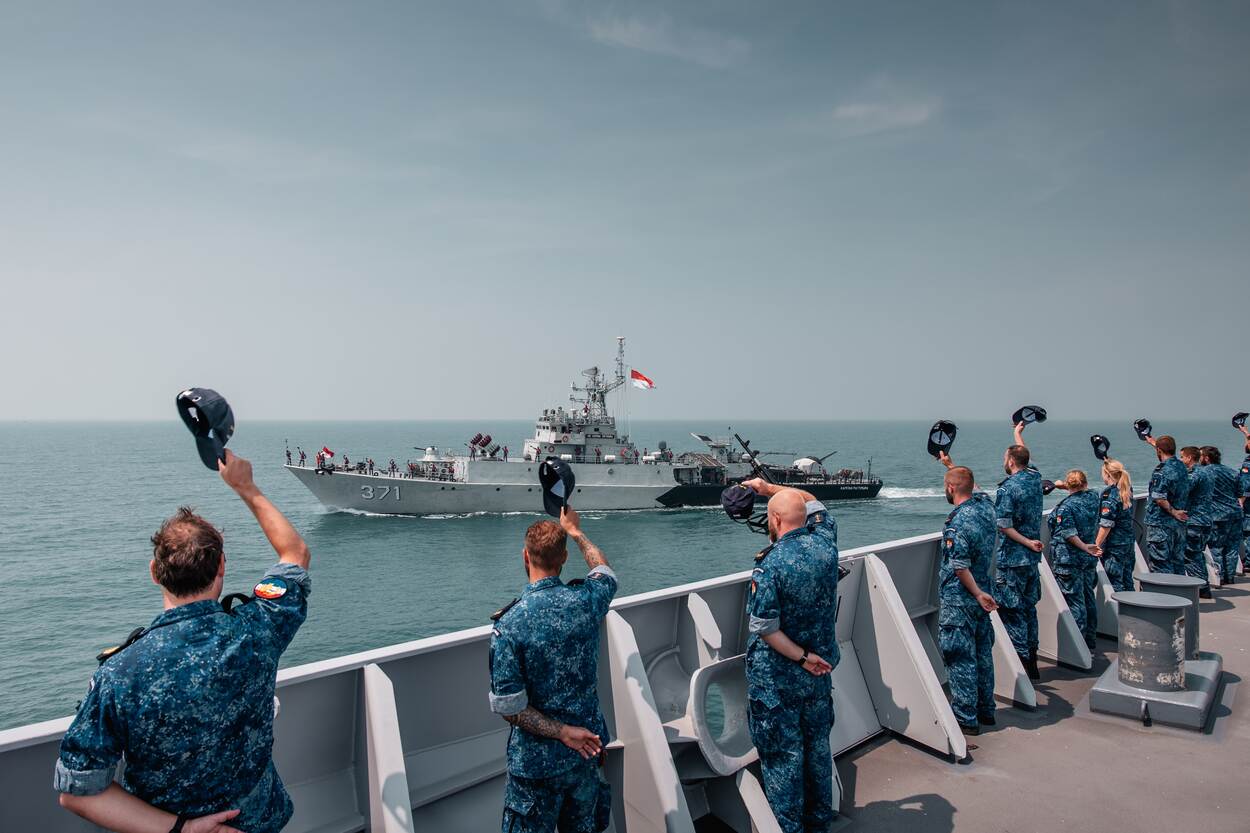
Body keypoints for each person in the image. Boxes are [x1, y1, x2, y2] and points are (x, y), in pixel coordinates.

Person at [54, 451, 312, 833]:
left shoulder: (120, 674)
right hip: (259, 824)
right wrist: (245, 486)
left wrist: (183, 829)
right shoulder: (258, 630)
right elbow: (295, 553)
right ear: (222, 566)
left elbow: (78, 791)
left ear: (155, 572)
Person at [488, 506, 615, 833]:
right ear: (563, 559)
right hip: (586, 753)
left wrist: (560, 733)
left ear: (526, 557)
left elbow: (510, 707)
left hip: (536, 766)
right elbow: (604, 570)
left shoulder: (510, 625)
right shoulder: (588, 600)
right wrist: (576, 532)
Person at [739, 477, 840, 833]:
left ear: (776, 521)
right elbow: (818, 505)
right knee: (816, 750)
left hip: (780, 682)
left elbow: (765, 627)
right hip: (818, 678)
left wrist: (801, 657)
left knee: (784, 758)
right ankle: (819, 822)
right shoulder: (827, 543)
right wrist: (770, 489)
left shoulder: (771, 564)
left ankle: (788, 827)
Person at [934, 462, 998, 735]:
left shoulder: (957, 522)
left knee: (960, 658)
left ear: (951, 487)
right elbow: (978, 490)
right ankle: (987, 710)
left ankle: (965, 718)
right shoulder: (986, 509)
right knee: (983, 654)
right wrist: (951, 465)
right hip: (983, 593)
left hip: (962, 599)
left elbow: (959, 565)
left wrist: (977, 593)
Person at [991, 422, 1045, 680]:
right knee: (1029, 609)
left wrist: (1026, 542)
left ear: (1011, 461)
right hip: (1031, 561)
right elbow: (1026, 457)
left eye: (1005, 457)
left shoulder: (1007, 489)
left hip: (1013, 559)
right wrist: (1017, 434)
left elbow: (1004, 526)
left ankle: (1020, 669)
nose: (1004, 461)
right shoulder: (1034, 478)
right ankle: (1032, 659)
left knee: (1012, 612)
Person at [1049, 471, 1103, 649]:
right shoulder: (1093, 497)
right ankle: (1090, 639)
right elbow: (1084, 491)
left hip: (1069, 559)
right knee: (1088, 597)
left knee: (1074, 601)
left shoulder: (1066, 508)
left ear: (1068, 484)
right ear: (1085, 483)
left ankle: (1078, 646)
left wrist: (1084, 546)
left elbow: (1069, 534)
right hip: (1087, 559)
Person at [1144, 435, 1189, 575]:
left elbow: (1159, 497)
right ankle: (1181, 595)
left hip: (1161, 525)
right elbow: (1166, 454)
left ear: (1159, 450)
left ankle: (1165, 596)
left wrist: (1174, 511)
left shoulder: (1161, 470)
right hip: (1179, 525)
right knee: (1177, 562)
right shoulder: (1181, 465)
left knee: (1160, 564)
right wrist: (1154, 443)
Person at [1094, 459, 1137, 593]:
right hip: (1128, 543)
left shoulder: (1109, 495)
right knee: (1127, 579)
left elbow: (1106, 525)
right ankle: (1131, 611)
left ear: (1107, 474)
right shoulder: (1126, 489)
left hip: (1114, 547)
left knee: (1115, 582)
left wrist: (1096, 545)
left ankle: (1119, 612)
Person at [1201, 446, 1242, 585]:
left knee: (1216, 547)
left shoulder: (1204, 472)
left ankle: (1219, 577)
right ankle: (1230, 576)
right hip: (1235, 513)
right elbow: (1240, 492)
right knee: (1232, 547)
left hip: (1216, 515)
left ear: (1206, 458)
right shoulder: (1232, 472)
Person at [1179, 446, 1213, 596]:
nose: (1181, 460)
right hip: (1205, 519)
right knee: (1197, 554)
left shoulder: (1195, 474)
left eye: (1182, 457)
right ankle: (1204, 586)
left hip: (1195, 521)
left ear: (1189, 458)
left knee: (1191, 555)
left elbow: (1183, 489)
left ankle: (1199, 588)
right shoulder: (1207, 472)